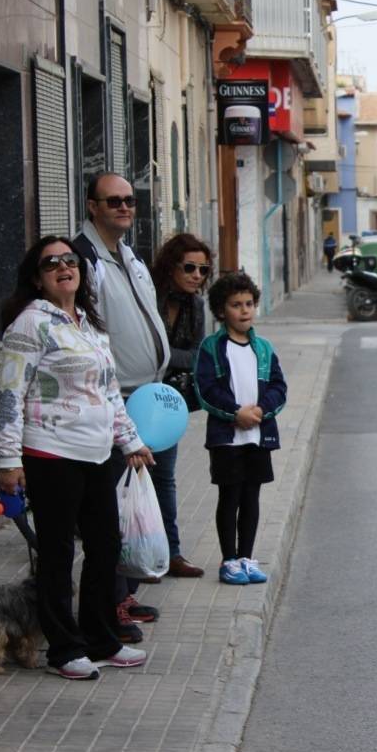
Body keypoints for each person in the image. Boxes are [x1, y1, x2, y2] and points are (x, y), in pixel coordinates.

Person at [0, 236, 152, 680]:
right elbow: (9, 394)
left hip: (99, 452)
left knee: (105, 548)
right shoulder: (30, 324)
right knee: (58, 554)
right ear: (37, 278)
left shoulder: (89, 324)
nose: (63, 267)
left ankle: (102, 639)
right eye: (51, 263)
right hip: (51, 452)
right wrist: (8, 460)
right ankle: (64, 649)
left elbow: (110, 392)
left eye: (70, 260)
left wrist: (131, 441)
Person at [72, 171, 171, 643]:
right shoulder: (84, 257)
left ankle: (124, 593)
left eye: (129, 200)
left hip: (145, 396)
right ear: (92, 206)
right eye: (113, 201)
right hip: (115, 401)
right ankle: (110, 603)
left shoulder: (128, 256)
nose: (124, 208)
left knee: (133, 503)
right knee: (110, 511)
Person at [194, 272, 287, 586]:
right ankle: (229, 560)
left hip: (258, 436)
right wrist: (235, 413)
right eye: (236, 305)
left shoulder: (263, 348)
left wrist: (261, 410)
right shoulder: (212, 348)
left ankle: (247, 557)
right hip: (227, 438)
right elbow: (205, 389)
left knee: (252, 496)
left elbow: (279, 387)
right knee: (229, 496)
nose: (244, 310)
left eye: (249, 303)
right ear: (222, 311)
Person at [150, 234, 212, 578]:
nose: (196, 276)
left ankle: (171, 554)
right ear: (171, 265)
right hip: (132, 394)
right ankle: (137, 554)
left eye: (203, 269)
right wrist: (172, 357)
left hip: (167, 400)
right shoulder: (149, 296)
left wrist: (162, 356)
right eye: (189, 267)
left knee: (165, 477)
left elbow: (197, 354)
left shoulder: (196, 305)